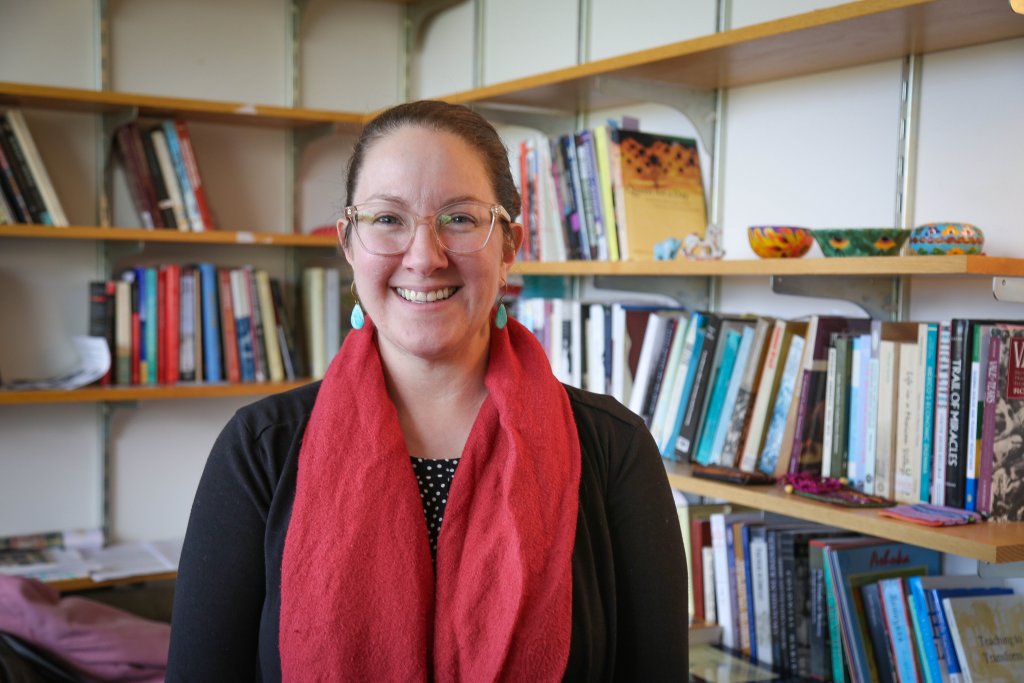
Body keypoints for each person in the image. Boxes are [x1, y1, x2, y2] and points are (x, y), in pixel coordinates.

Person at [166, 100, 688, 681]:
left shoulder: (613, 449)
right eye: (388, 219)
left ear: (508, 245)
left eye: (459, 219)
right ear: (348, 243)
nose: (424, 257)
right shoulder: (260, 449)